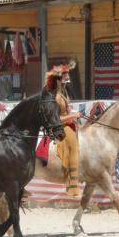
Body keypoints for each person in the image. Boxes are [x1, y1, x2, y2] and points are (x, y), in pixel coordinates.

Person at [45, 61, 82, 197]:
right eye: (65, 77)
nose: (67, 79)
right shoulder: (55, 97)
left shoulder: (64, 94)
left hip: (69, 124)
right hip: (59, 127)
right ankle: (72, 185)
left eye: (67, 77)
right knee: (72, 142)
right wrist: (73, 116)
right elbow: (56, 119)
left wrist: (75, 117)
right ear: (59, 80)